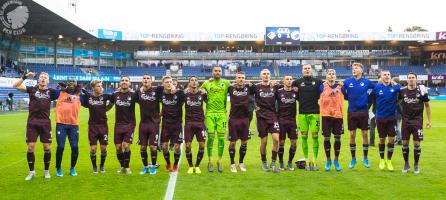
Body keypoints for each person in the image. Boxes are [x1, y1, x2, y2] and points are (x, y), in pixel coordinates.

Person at [13, 72, 57, 180]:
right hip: (32, 123)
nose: (43, 79)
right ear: (38, 80)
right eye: (41, 77)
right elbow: (15, 86)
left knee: (47, 147)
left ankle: (46, 171)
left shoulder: (51, 92)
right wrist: (25, 76)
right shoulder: (32, 89)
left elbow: (66, 94)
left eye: (45, 77)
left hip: (45, 123)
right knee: (30, 147)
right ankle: (31, 172)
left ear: (48, 81)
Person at [342, 63, 375, 169]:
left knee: (365, 134)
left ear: (361, 70)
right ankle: (353, 159)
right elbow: (344, 94)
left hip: (364, 112)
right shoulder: (347, 82)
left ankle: (365, 158)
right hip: (352, 111)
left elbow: (375, 90)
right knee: (352, 134)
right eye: (353, 68)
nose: (354, 69)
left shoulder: (367, 82)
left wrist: (367, 100)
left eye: (356, 68)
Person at [399, 72, 431, 174]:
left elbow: (427, 105)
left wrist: (429, 121)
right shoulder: (402, 91)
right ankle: (406, 163)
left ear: (416, 79)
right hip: (406, 121)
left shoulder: (421, 91)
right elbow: (396, 103)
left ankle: (416, 164)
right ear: (407, 80)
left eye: (413, 78)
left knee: (417, 143)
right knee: (404, 143)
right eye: (409, 78)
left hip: (417, 121)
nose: (411, 79)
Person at [292, 64, 323, 171]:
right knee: (304, 136)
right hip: (302, 113)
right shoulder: (296, 83)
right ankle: (306, 160)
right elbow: (292, 94)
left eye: (309, 68)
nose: (307, 70)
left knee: (315, 136)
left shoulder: (318, 82)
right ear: (302, 70)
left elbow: (325, 92)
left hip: (315, 113)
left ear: (311, 70)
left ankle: (314, 161)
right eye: (305, 68)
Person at [200, 66, 230, 172]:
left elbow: (237, 88)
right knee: (211, 138)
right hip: (210, 114)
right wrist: (203, 92)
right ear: (212, 72)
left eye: (219, 71)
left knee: (221, 139)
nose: (217, 72)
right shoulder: (207, 83)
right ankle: (210, 160)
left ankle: (220, 160)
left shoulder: (226, 83)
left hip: (222, 114)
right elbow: (197, 91)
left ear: (221, 73)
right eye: (215, 71)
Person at [81, 80, 114, 173]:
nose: (101, 87)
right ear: (93, 88)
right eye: (98, 86)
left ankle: (102, 165)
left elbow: (112, 101)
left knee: (103, 148)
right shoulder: (89, 96)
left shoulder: (105, 96)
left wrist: (106, 108)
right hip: (92, 126)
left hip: (103, 125)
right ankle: (94, 166)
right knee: (93, 148)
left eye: (101, 86)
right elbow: (80, 94)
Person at [252, 69, 280, 173]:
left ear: (270, 75)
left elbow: (286, 87)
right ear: (260, 76)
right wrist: (254, 105)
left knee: (276, 140)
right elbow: (247, 95)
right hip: (261, 117)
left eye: (268, 73)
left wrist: (278, 82)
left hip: (273, 116)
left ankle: (273, 162)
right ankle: (264, 162)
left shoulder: (275, 86)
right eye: (264, 73)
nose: (266, 75)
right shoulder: (256, 87)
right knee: (264, 142)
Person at [54, 77, 84, 177]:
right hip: (61, 124)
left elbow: (89, 104)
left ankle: (72, 168)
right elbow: (46, 95)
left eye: (73, 81)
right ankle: (58, 168)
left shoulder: (80, 95)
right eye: (70, 81)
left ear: (76, 84)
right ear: (67, 83)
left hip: (73, 125)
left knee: (75, 147)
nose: (71, 82)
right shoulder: (59, 93)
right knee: (61, 147)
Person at [372, 70, 400, 171]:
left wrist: (396, 83)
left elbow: (401, 90)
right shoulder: (377, 87)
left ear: (390, 76)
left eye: (388, 74)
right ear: (381, 77)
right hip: (380, 118)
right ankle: (382, 159)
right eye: (385, 75)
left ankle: (389, 160)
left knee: (392, 139)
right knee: (382, 139)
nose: (387, 76)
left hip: (392, 118)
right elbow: (371, 98)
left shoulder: (395, 87)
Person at [135, 74, 163, 175]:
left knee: (153, 147)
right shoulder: (138, 92)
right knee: (142, 147)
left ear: (151, 81)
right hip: (143, 124)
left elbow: (166, 97)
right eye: (144, 78)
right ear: (142, 81)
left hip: (154, 124)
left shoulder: (157, 90)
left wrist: (161, 114)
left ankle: (153, 167)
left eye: (148, 78)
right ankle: (145, 167)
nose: (146, 80)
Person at [111, 76, 138, 174]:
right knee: (118, 148)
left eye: (126, 80)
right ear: (119, 83)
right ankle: (122, 166)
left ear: (130, 83)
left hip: (130, 124)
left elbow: (145, 103)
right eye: (122, 80)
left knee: (126, 146)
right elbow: (109, 105)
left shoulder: (134, 95)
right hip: (118, 124)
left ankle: (127, 167)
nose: (124, 82)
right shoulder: (115, 94)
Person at [319, 69, 344, 171]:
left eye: (333, 74)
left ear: (335, 76)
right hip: (326, 115)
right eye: (329, 74)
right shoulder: (322, 87)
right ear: (326, 76)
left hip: (338, 116)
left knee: (337, 138)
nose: (331, 76)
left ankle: (336, 160)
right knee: (327, 138)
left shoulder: (341, 86)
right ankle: (328, 160)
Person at [227, 71, 251, 172]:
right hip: (233, 118)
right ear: (235, 79)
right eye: (239, 77)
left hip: (245, 119)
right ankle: (232, 163)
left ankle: (241, 162)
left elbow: (262, 87)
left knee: (244, 141)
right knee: (233, 142)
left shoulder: (249, 88)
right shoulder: (230, 88)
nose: (241, 79)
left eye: (242, 77)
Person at [160, 76, 185, 172]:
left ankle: (175, 164)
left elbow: (185, 96)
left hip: (177, 124)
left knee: (177, 147)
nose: (169, 83)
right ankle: (168, 163)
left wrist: (176, 90)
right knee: (165, 146)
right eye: (167, 82)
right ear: (163, 84)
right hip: (166, 124)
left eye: (171, 82)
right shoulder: (160, 93)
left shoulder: (179, 94)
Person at [183, 76, 207, 174]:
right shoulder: (184, 94)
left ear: (198, 83)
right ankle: (190, 166)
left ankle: (197, 166)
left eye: (196, 80)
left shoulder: (202, 94)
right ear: (189, 83)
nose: (194, 82)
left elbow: (211, 102)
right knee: (188, 145)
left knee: (202, 145)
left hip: (200, 123)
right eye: (192, 80)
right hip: (189, 123)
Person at [276, 75, 298, 171]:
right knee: (281, 142)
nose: (289, 81)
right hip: (281, 120)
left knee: (294, 142)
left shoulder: (295, 91)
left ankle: (289, 162)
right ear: (283, 81)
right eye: (287, 79)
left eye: (290, 79)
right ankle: (281, 162)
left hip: (292, 120)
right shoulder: (279, 92)